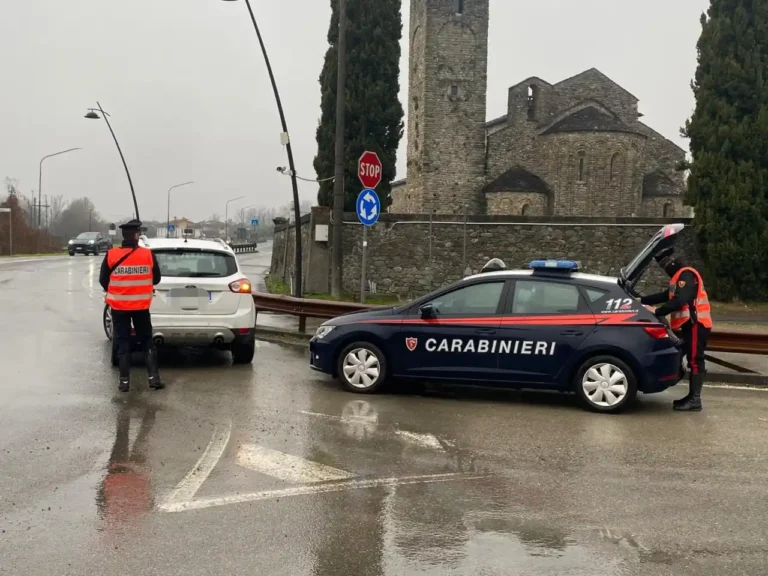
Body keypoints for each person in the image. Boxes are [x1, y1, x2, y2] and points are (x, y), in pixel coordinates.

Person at [639, 249, 712, 411]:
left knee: (695, 359)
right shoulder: (679, 277)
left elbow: (680, 300)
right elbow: (666, 296)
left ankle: (695, 400)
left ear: (671, 263)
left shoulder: (686, 275)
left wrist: (657, 312)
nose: (664, 269)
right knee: (690, 357)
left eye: (664, 265)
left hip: (695, 324)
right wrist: (640, 299)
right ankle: (692, 397)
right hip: (690, 325)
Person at [99, 219, 163, 392]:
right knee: (147, 342)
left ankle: (124, 382)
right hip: (141, 308)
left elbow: (103, 280)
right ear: (136, 235)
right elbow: (156, 279)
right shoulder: (147, 255)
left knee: (123, 342)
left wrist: (118, 290)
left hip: (119, 308)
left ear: (123, 236)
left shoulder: (111, 255)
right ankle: (153, 379)